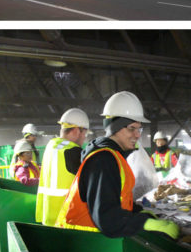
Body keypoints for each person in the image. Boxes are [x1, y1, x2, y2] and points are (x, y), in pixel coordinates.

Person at [55, 91, 179, 239]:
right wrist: (143, 223)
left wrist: (137, 211)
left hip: (94, 240)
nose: (138, 135)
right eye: (131, 128)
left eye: (139, 129)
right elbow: (107, 218)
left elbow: (117, 198)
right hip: (82, 241)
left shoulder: (114, 156)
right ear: (115, 128)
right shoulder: (103, 160)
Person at [36, 108, 90, 226]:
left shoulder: (51, 147)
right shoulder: (73, 151)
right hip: (65, 220)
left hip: (48, 217)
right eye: (84, 134)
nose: (84, 138)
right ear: (76, 130)